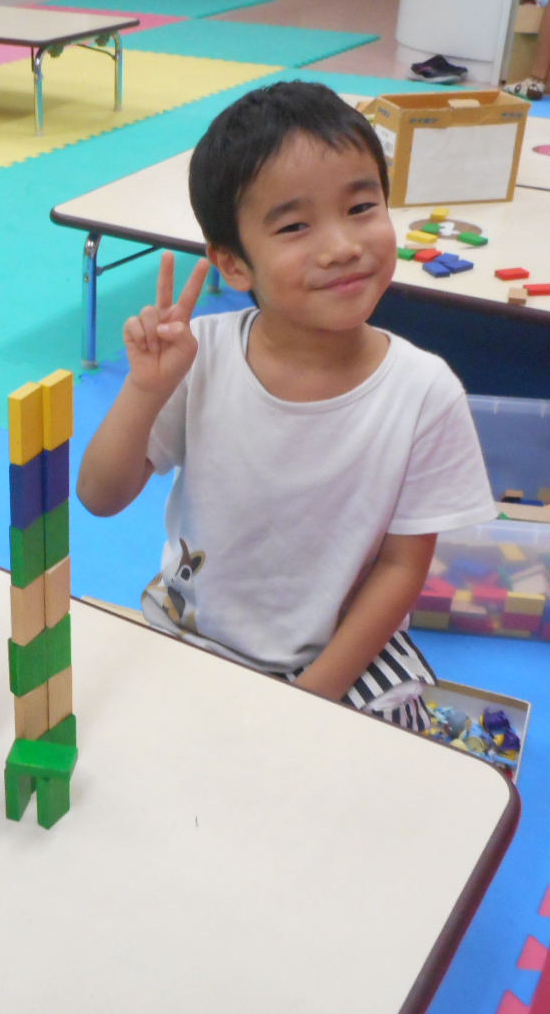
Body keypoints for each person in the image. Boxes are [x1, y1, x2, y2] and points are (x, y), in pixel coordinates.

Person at [76, 82, 494, 730]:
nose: (342, 245)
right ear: (234, 264)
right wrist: (145, 389)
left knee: (378, 764)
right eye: (296, 226)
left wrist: (308, 702)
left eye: (361, 207)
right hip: (193, 632)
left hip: (337, 659)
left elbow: (401, 568)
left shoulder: (424, 391)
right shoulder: (199, 355)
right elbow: (99, 496)